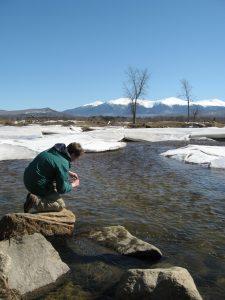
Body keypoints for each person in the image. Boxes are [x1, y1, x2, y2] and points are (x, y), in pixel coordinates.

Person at [23, 142, 84, 213]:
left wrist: (67, 172)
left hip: (27, 178)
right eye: (76, 158)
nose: (75, 161)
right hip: (36, 185)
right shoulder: (63, 163)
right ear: (73, 154)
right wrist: (74, 184)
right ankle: (35, 202)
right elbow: (62, 189)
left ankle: (37, 196)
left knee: (56, 182)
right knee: (60, 205)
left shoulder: (54, 150)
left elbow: (52, 164)